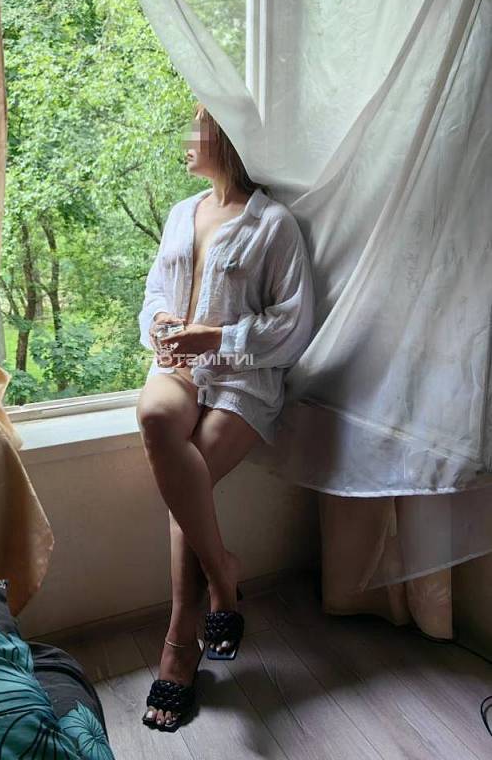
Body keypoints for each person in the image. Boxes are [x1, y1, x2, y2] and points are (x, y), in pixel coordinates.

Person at [136, 103, 315, 731]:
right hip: (177, 368)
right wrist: (162, 323)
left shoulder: (274, 225)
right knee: (155, 418)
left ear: (229, 137)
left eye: (198, 126)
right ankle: (224, 573)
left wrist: (216, 339)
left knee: (187, 488)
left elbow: (291, 326)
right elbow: (154, 295)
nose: (187, 137)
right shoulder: (180, 213)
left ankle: (178, 645)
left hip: (243, 376)